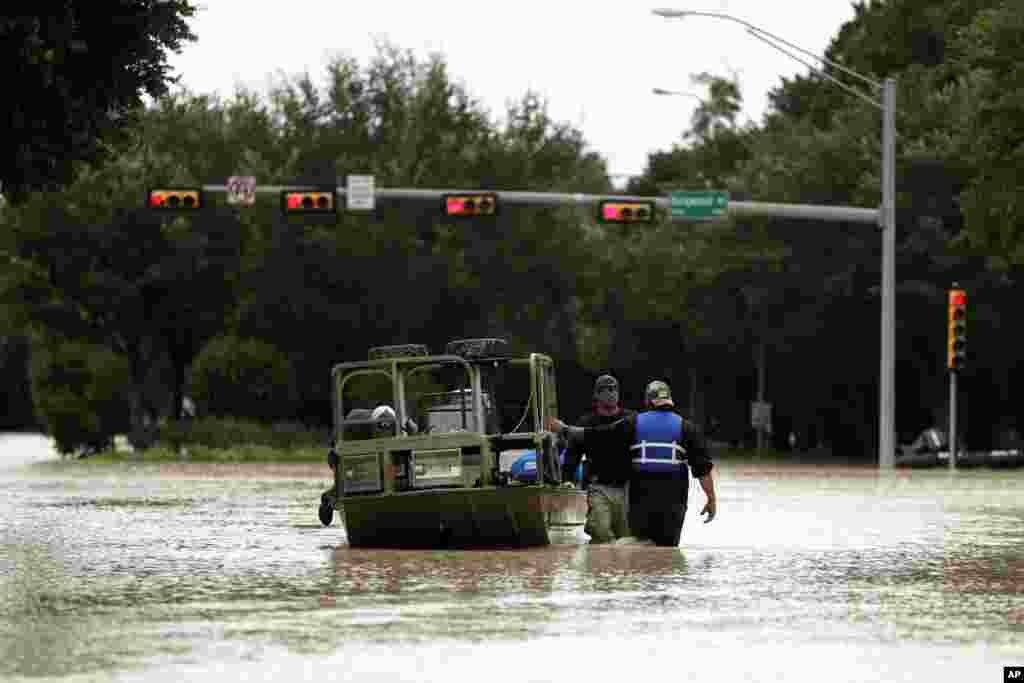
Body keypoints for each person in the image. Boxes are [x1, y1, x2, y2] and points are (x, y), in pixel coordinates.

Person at [550, 379, 717, 547]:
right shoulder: (687, 427)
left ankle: (615, 555)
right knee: (667, 549)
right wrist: (711, 498)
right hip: (673, 502)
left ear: (647, 401)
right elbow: (703, 469)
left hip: (640, 499)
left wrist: (565, 430)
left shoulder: (634, 422)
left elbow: (600, 435)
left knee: (639, 545)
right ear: (670, 400)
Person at [558, 374, 637, 544]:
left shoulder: (631, 419)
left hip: (627, 487)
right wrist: (568, 480)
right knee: (601, 532)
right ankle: (598, 568)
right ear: (596, 395)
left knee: (626, 538)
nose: (611, 393)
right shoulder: (586, 422)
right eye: (606, 389)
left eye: (614, 389)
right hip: (598, 487)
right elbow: (572, 454)